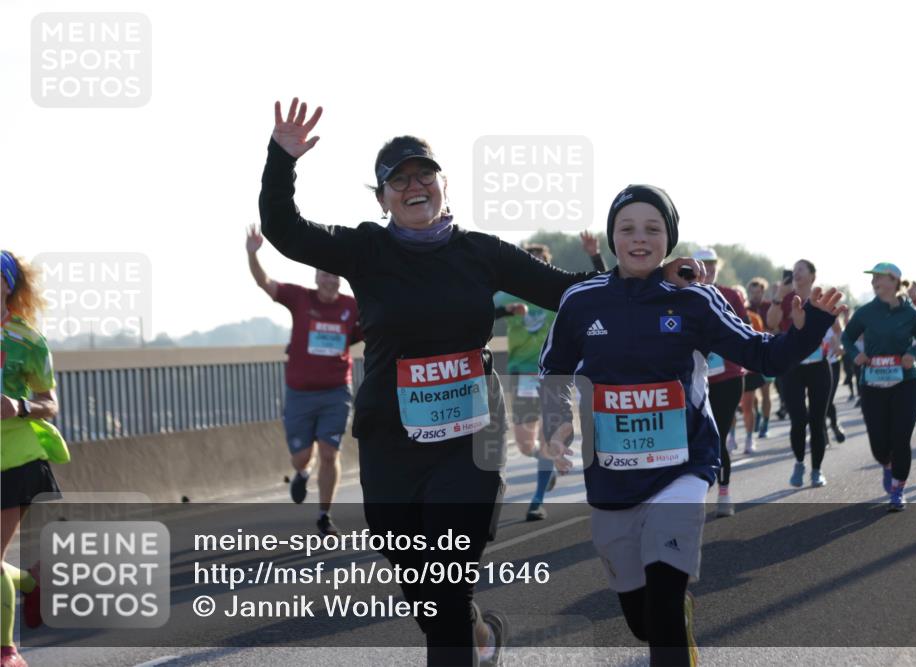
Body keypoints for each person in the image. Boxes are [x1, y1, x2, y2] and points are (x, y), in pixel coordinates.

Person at [258, 99, 699, 666]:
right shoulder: (365, 250)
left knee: (445, 582)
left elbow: (568, 291)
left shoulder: (479, 252)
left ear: (444, 184)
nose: (413, 186)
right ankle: (479, 636)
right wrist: (281, 158)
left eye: (424, 174)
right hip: (392, 440)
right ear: (382, 195)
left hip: (470, 440)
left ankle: (462, 635)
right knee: (418, 582)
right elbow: (283, 227)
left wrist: (646, 270)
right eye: (399, 179)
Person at [539, 184, 843, 667]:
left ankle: (672, 613)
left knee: (660, 608)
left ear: (669, 238)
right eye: (627, 228)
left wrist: (810, 327)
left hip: (682, 467)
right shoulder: (582, 301)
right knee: (642, 620)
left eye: (653, 229)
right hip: (612, 475)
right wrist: (557, 424)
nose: (639, 239)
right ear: (611, 236)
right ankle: (674, 612)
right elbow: (553, 370)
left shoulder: (694, 302)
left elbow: (764, 355)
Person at [246, 225, 362, 536]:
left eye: (335, 275)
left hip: (336, 391)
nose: (330, 279)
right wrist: (252, 254)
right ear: (316, 277)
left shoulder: (351, 306)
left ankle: (324, 515)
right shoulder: (299, 298)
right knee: (302, 456)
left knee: (329, 452)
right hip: (300, 393)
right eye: (325, 274)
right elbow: (265, 283)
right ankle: (301, 472)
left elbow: (368, 330)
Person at [493, 235, 606, 521]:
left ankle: (537, 500)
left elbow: (604, 287)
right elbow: (480, 308)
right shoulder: (508, 294)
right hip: (521, 373)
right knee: (523, 444)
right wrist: (507, 311)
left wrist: (594, 256)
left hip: (553, 373)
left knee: (547, 437)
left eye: (540, 265)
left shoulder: (558, 294)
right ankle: (545, 461)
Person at [2, 250, 71, 667]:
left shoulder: (27, 340)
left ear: (7, 284)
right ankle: (30, 582)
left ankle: (8, 651)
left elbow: (50, 402)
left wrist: (19, 406)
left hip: (15, 459)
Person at [842, 263, 916, 510]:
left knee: (901, 438)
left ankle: (898, 489)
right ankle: (887, 464)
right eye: (872, 278)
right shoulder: (865, 312)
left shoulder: (911, 313)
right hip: (872, 384)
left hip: (906, 383)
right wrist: (855, 355)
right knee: (879, 445)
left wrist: (913, 353)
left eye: (879, 277)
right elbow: (846, 337)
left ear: (894, 281)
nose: (874, 281)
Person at [691, 248, 748, 517]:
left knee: (718, 437)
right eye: (704, 264)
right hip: (694, 380)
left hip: (727, 378)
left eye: (713, 264)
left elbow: (745, 332)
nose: (709, 269)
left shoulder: (731, 295)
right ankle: (695, 492)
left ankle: (724, 492)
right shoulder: (682, 295)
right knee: (693, 439)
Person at [768, 259, 834, 487]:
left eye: (801, 270)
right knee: (798, 420)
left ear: (813, 276)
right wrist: (778, 296)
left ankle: (817, 470)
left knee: (817, 420)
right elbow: (771, 323)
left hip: (819, 367)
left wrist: (838, 341)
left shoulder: (821, 298)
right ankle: (799, 463)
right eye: (793, 271)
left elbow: (837, 327)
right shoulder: (784, 298)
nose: (795, 274)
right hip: (792, 367)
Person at [746, 277, 775, 438]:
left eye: (759, 292)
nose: (756, 295)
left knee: (765, 392)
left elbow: (775, 327)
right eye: (753, 292)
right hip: (751, 357)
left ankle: (765, 422)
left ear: (763, 292)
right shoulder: (745, 308)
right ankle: (756, 413)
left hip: (767, 356)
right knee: (752, 395)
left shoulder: (769, 307)